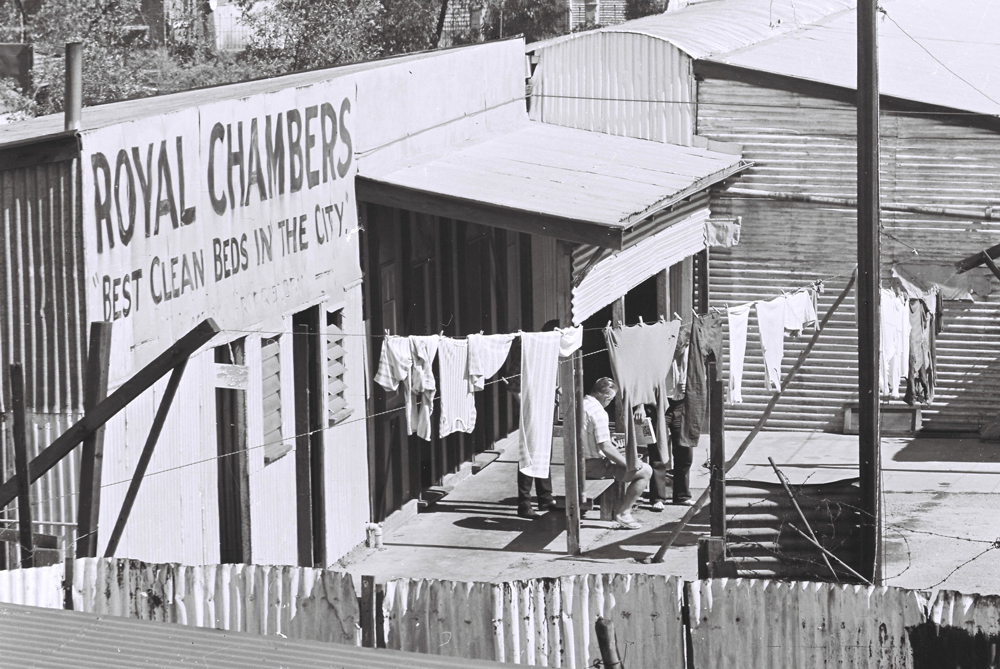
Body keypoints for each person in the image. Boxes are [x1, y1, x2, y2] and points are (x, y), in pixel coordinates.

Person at [582, 377, 652, 530]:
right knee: (645, 471)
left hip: (578, 462)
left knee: (619, 457)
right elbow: (606, 447)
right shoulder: (598, 412)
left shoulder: (580, 404)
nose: (610, 402)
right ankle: (624, 512)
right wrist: (629, 464)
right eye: (611, 399)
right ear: (606, 397)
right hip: (591, 466)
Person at [509, 319, 561, 518]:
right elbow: (512, 383)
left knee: (544, 453)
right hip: (531, 410)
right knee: (529, 454)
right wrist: (527, 406)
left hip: (546, 408)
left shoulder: (549, 355)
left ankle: (545, 498)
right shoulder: (529, 352)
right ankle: (524, 503)